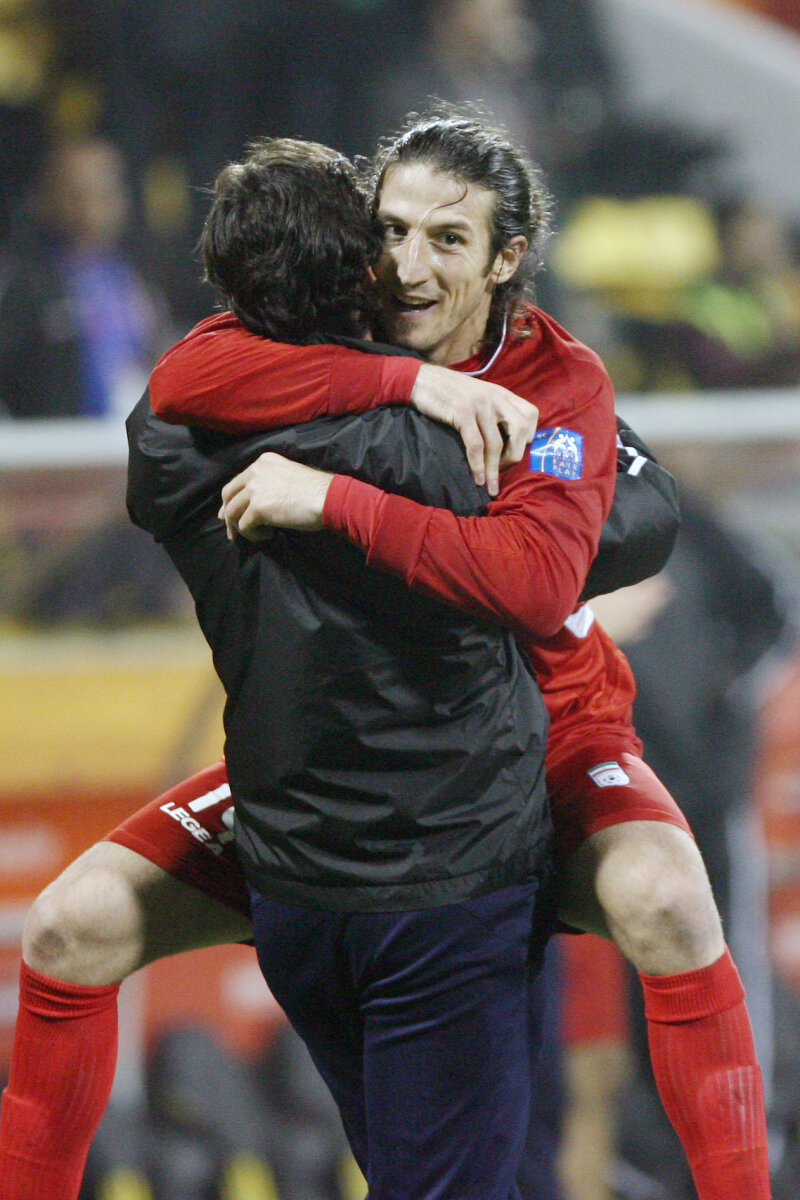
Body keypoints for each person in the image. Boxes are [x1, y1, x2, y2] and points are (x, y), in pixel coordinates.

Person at [0, 111, 770, 1200]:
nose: (408, 265)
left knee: (668, 902)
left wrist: (336, 499)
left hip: (549, 735)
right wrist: (409, 386)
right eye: (392, 230)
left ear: (504, 259)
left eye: (447, 239)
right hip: (342, 764)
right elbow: (185, 376)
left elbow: (591, 543)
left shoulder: (554, 381)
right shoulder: (339, 331)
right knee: (72, 926)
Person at [0, 136, 172, 420]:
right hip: (52, 439)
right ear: (47, 198)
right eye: (77, 193)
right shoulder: (24, 282)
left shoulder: (138, 279)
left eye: (105, 193)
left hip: (123, 436)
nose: (91, 208)